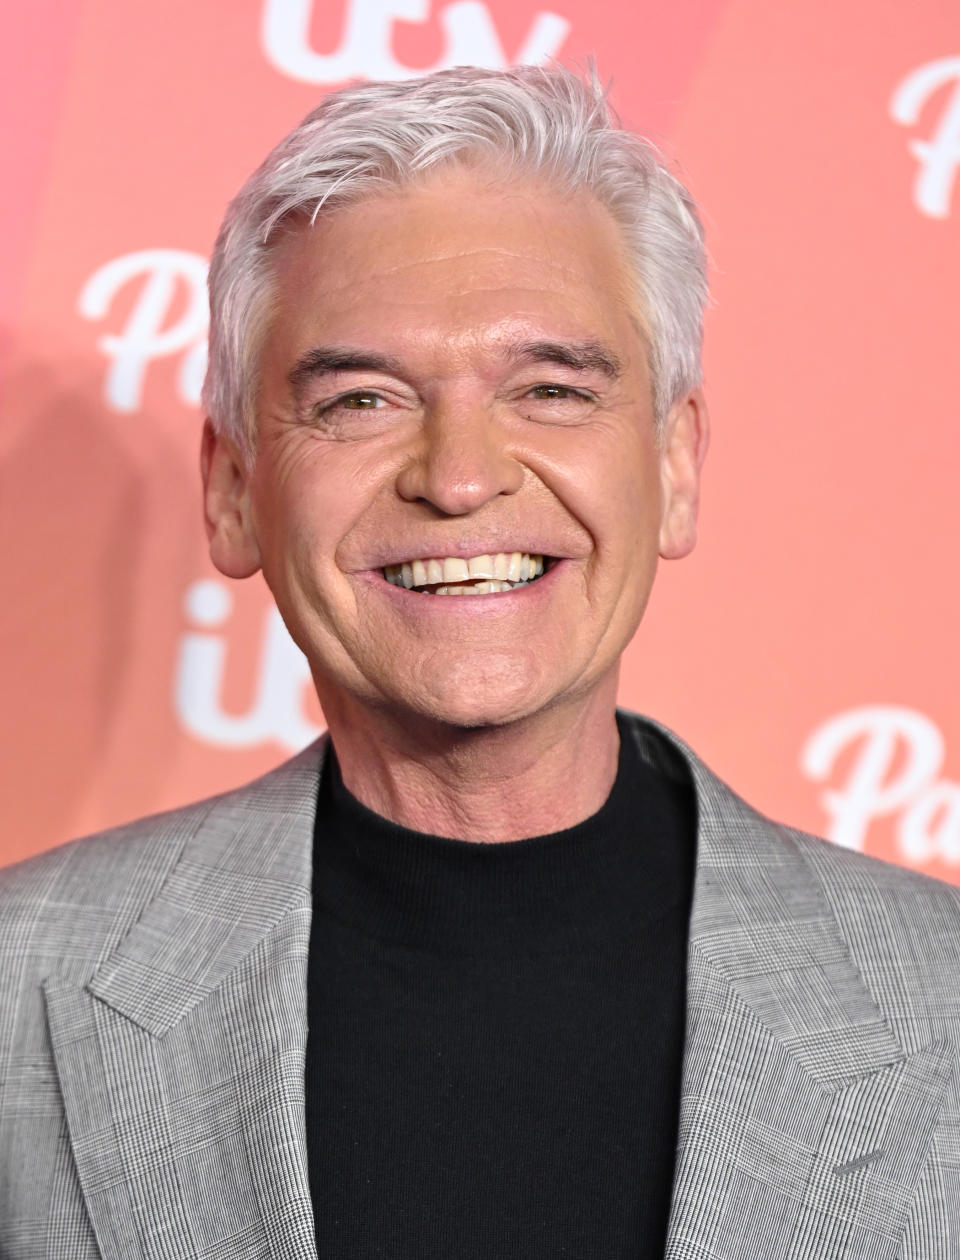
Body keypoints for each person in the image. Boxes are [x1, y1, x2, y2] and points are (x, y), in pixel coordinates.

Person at [1, 64, 958, 1260]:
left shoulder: (943, 1001)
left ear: (674, 466)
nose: (459, 478)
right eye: (360, 401)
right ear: (235, 490)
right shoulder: (20, 981)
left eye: (551, 391)